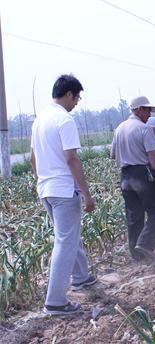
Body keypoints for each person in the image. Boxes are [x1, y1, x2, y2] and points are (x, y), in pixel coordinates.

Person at [30, 74, 97, 315]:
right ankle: (55, 301)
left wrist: (43, 179)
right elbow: (71, 158)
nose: (76, 102)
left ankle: (81, 277)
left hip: (46, 189)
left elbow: (32, 158)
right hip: (63, 190)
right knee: (65, 241)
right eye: (77, 98)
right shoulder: (64, 120)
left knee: (68, 235)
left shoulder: (40, 120)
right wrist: (87, 193)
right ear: (69, 94)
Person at [111, 96, 155, 262]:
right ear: (139, 109)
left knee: (134, 215)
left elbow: (113, 154)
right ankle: (144, 245)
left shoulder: (119, 128)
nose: (149, 114)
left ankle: (136, 254)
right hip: (143, 174)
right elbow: (152, 155)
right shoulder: (144, 129)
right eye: (148, 110)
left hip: (125, 177)